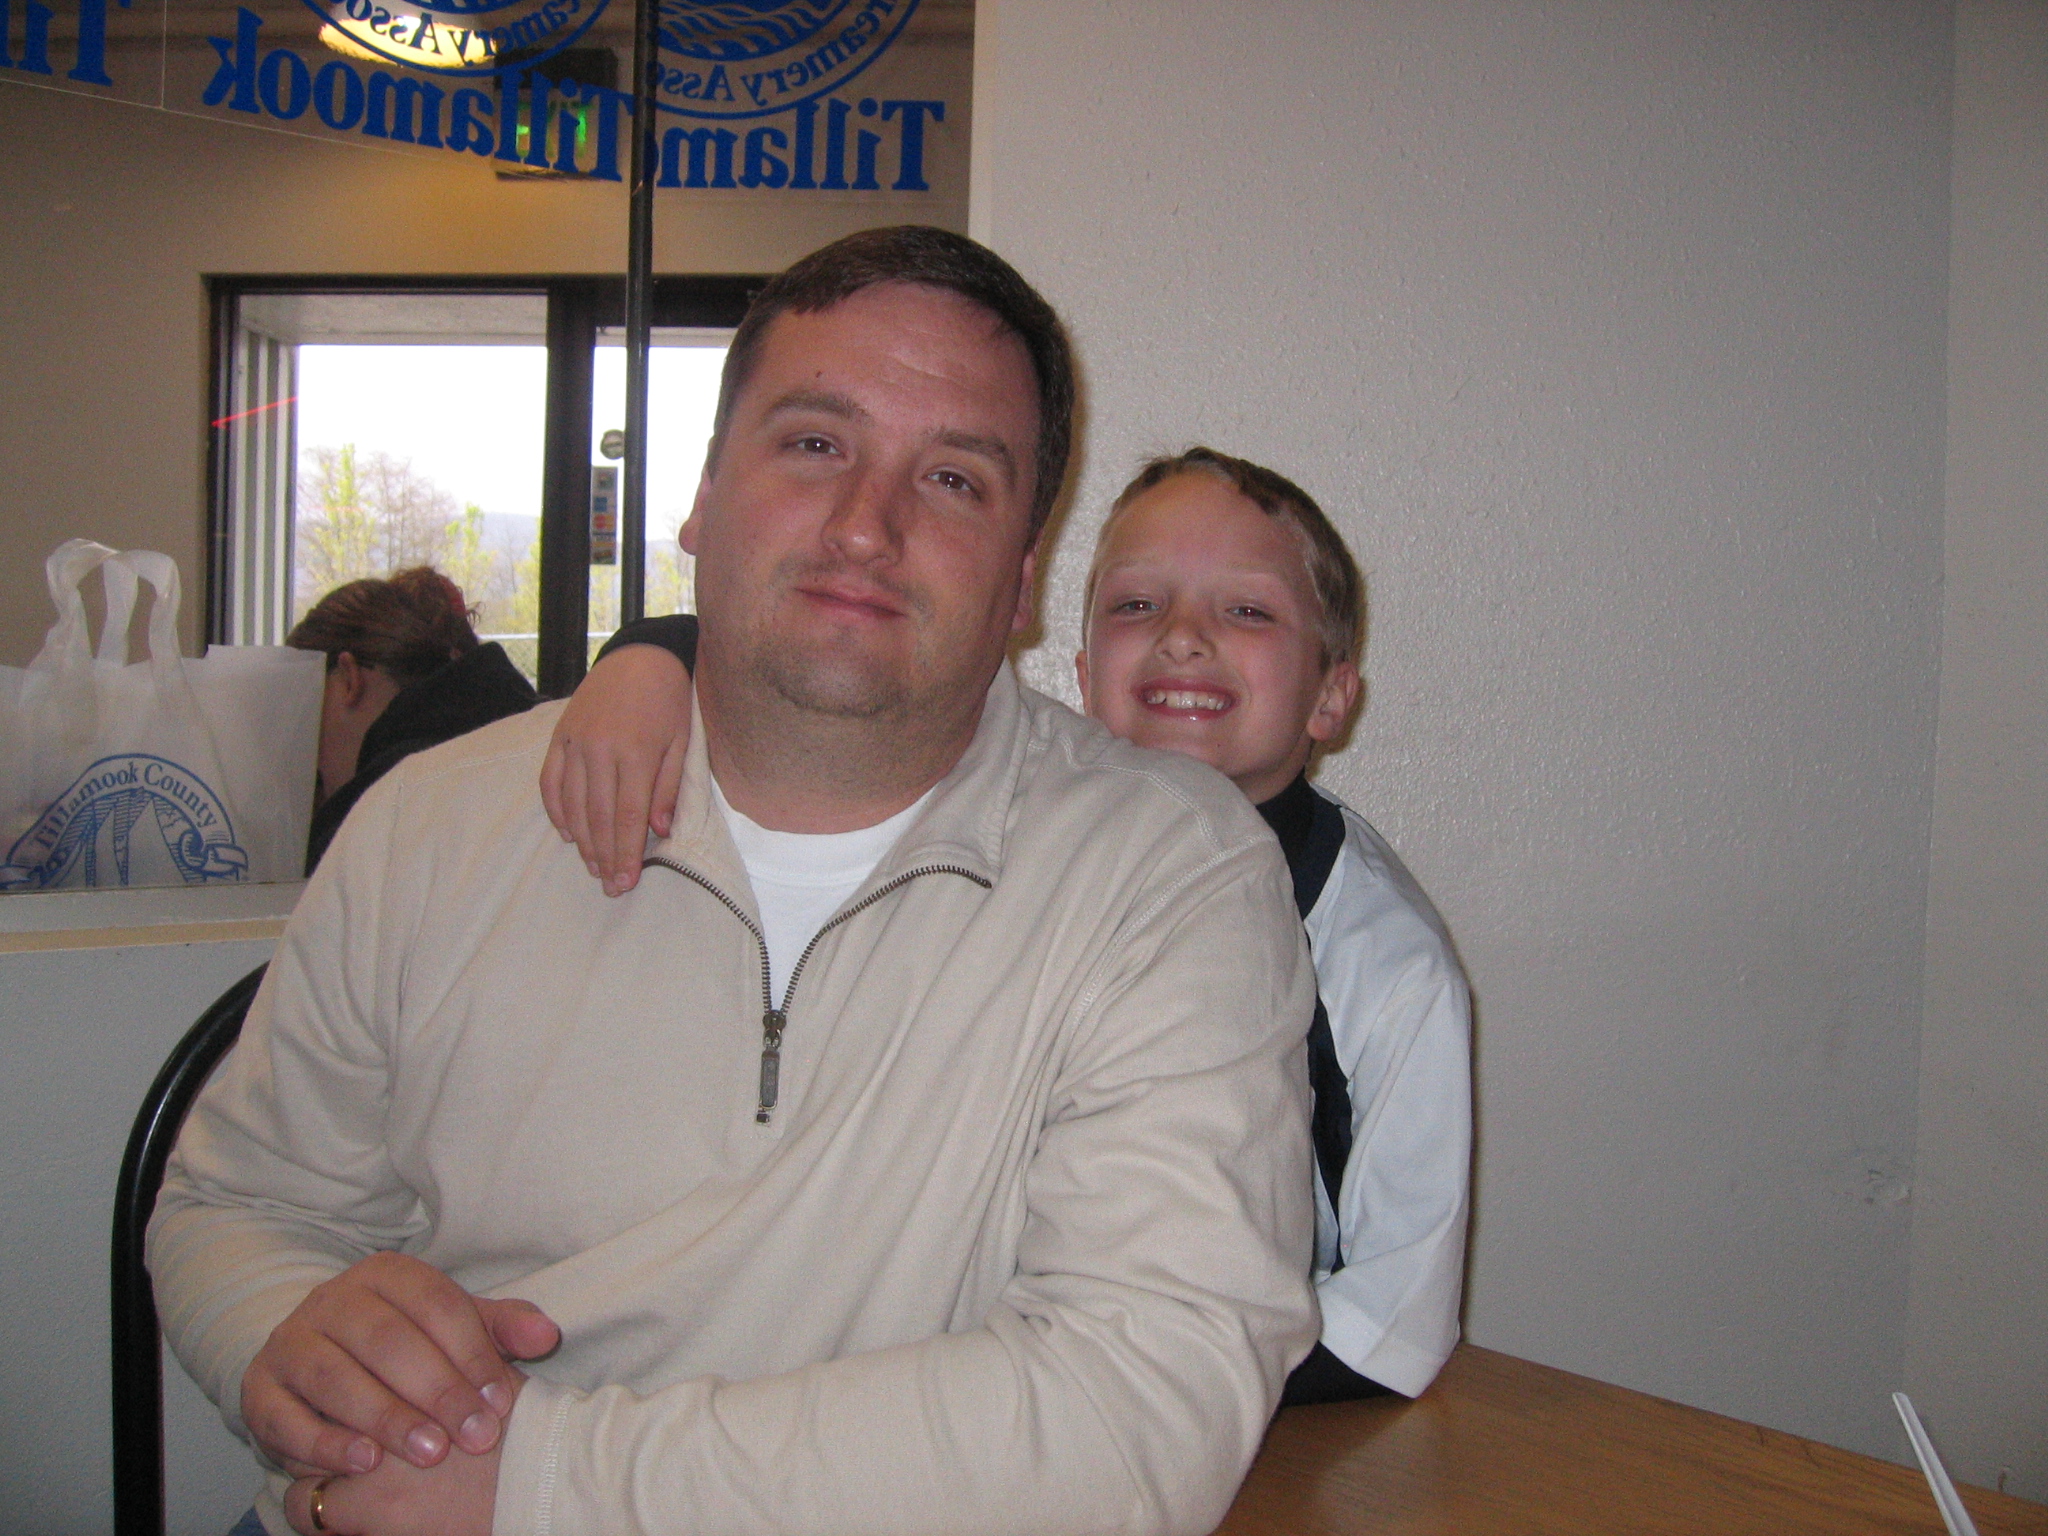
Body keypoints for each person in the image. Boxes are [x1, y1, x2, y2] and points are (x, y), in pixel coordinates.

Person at [150, 227, 1319, 1536]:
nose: (865, 525)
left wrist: (540, 1488)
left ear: (1024, 579)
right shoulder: (427, 825)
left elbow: (1139, 1403)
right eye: (815, 443)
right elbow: (233, 1206)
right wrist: (287, 1342)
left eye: (952, 478)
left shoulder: (1168, 877)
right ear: (702, 494)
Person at [548, 447, 1472, 1405]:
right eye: (1135, 606)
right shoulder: (992, 817)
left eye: (1246, 611)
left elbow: (1394, 1320)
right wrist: (654, 654)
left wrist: (1174, 1395)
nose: (1184, 639)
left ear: (1332, 692)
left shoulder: (1389, 965)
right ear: (1079, 670)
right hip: (914, 1379)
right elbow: (854, 683)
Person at [286, 567, 536, 871]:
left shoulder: (370, 819)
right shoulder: (537, 742)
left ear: (349, 679)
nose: (308, 753)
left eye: (310, 706)